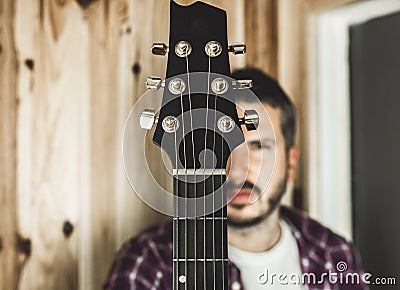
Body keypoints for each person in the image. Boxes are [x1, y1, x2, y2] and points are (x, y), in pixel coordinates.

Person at [103, 68, 368, 290]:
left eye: (259, 147)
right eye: (222, 148)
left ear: (290, 162)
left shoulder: (335, 256)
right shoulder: (150, 262)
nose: (238, 171)